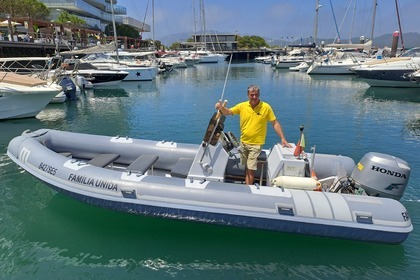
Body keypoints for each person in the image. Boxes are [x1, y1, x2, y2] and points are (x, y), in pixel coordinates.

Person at [215, 84, 291, 185]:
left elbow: (275, 123)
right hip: (243, 142)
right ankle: (248, 187)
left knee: (251, 170)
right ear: (248, 95)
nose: (254, 97)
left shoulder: (266, 107)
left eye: (256, 95)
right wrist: (220, 108)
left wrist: (283, 138)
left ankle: (248, 191)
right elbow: (228, 112)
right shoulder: (242, 106)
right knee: (247, 168)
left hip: (256, 144)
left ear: (259, 95)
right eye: (252, 95)